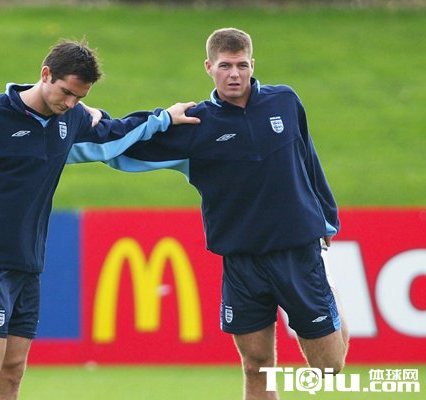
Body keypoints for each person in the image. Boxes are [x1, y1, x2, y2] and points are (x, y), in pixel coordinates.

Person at [0, 39, 199, 400]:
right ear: (45, 74)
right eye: (67, 93)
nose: (71, 104)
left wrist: (164, 118)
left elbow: (114, 135)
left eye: (80, 97)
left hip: (28, 262)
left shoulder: (70, 119)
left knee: (11, 372)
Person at [105, 28, 349, 399]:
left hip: (296, 253)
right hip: (241, 262)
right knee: (256, 366)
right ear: (209, 67)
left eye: (241, 65)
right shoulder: (194, 125)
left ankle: (329, 294)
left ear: (252, 65)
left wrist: (327, 215)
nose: (234, 74)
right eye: (225, 66)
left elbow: (307, 158)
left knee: (328, 368)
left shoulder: (285, 101)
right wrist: (151, 119)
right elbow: (123, 149)